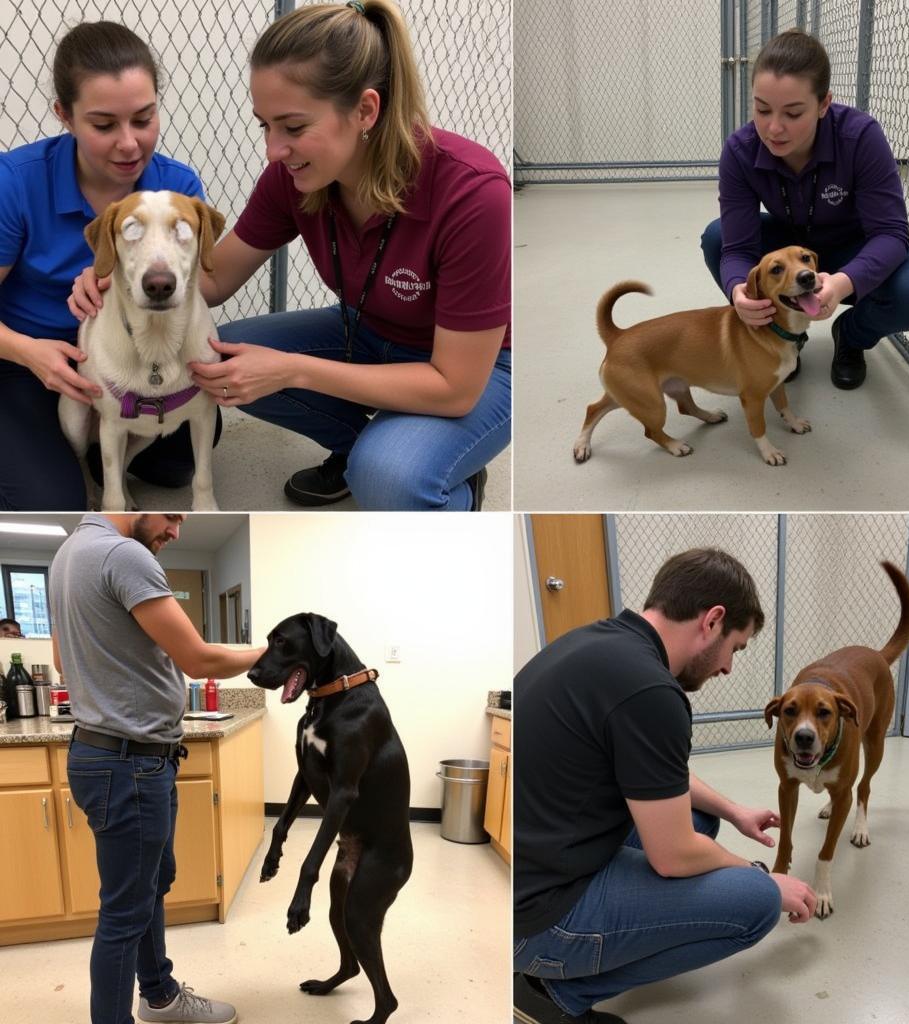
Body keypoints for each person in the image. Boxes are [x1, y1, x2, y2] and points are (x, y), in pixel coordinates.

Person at [73, 1, 511, 511]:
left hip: (477, 369)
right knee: (222, 356)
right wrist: (115, 275)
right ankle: (362, 448)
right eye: (265, 125)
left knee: (388, 478)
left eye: (293, 127)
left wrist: (292, 370)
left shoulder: (472, 193)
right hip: (365, 332)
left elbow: (455, 387)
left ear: (366, 111)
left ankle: (437, 471)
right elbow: (213, 280)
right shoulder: (293, 176)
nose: (273, 150)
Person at [513, 548, 817, 1024]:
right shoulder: (653, 692)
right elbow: (672, 856)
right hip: (536, 920)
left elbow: (660, 773)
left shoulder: (600, 643)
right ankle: (553, 995)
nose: (728, 669)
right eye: (735, 648)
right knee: (756, 903)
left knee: (701, 819)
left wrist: (734, 810)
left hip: (532, 871)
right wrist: (761, 875)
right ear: (712, 621)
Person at [49, 514, 265, 1024]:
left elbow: (62, 660)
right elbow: (200, 661)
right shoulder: (124, 555)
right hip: (130, 763)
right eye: (171, 516)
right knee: (124, 911)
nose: (176, 531)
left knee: (146, 887)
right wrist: (274, 652)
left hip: (107, 756)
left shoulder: (66, 556)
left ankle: (160, 995)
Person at [0, 22, 219, 511]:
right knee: (53, 500)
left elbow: (195, 278)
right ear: (65, 115)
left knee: (175, 464)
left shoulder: (177, 186)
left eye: (143, 119)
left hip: (132, 359)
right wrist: (28, 352)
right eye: (104, 125)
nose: (129, 145)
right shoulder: (14, 184)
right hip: (23, 363)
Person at [700, 29, 909, 390]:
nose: (773, 128)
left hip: (850, 246)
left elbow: (891, 235)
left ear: (824, 104)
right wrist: (738, 291)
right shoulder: (740, 150)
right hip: (788, 246)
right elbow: (737, 249)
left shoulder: (860, 137)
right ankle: (780, 339)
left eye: (793, 113)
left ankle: (852, 336)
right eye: (762, 109)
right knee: (717, 238)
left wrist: (844, 283)